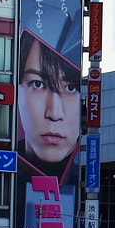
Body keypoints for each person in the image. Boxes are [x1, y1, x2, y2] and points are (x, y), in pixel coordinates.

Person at [19, 30, 81, 179]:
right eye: (38, 84)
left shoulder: (83, 176)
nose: (54, 113)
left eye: (70, 87)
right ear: (17, 89)